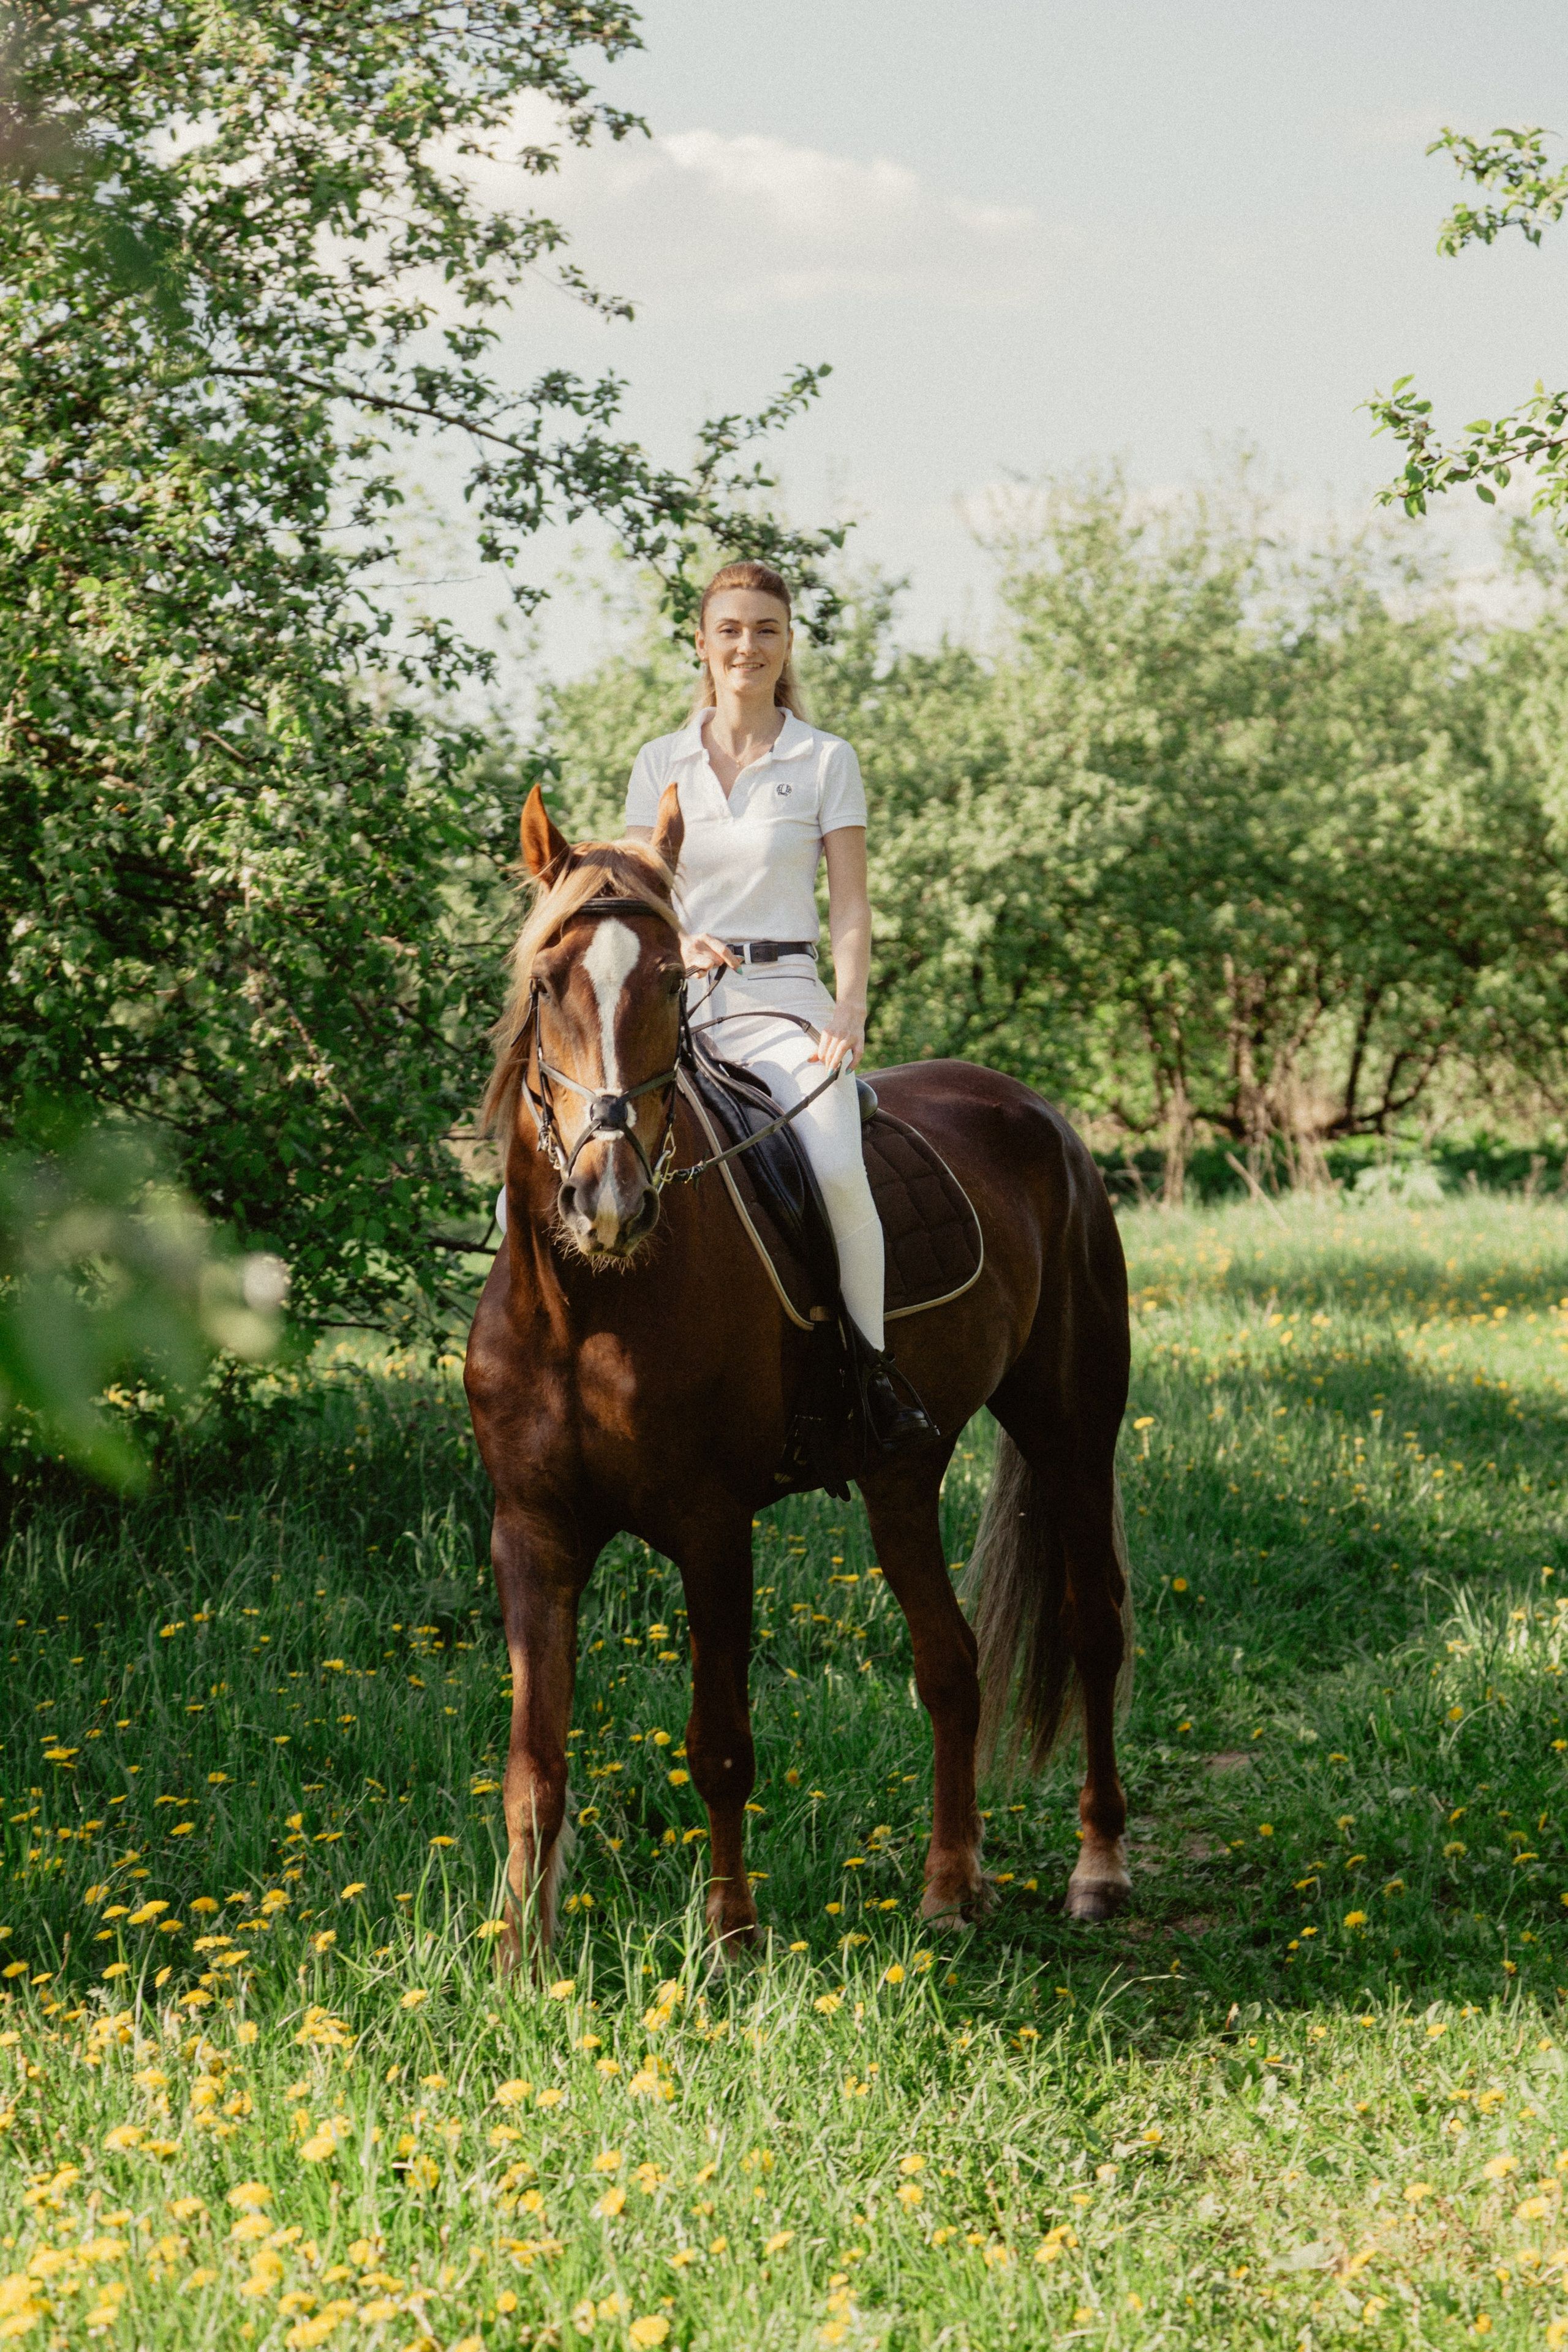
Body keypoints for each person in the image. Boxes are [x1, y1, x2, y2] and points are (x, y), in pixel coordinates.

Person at [624, 559, 933, 1452]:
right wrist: (678, 943)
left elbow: (850, 902)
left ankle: (872, 1381)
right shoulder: (661, 761)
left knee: (836, 1162)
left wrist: (850, 1007)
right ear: (702, 642)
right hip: (678, 1003)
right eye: (730, 629)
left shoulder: (824, 758)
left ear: (787, 641)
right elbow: (645, 892)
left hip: (788, 999)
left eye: (765, 629)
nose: (746, 646)